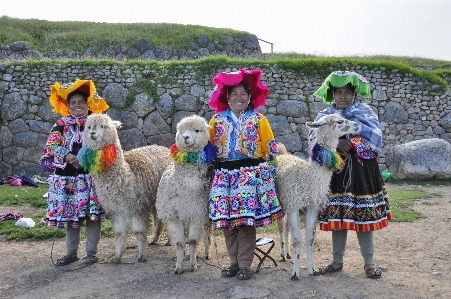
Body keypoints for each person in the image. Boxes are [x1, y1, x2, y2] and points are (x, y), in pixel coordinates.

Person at [310, 71, 391, 279]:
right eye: (338, 92)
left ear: (354, 94)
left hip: (361, 171)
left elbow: (375, 137)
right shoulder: (325, 116)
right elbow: (314, 138)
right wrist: (336, 143)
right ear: (332, 94)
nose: (343, 96)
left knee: (362, 215)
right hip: (336, 173)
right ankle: (336, 261)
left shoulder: (364, 112)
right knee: (339, 215)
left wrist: (352, 142)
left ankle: (369, 262)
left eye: (347, 92)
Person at [207, 68, 283, 280]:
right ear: (227, 98)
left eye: (243, 94)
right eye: (234, 94)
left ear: (250, 98)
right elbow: (208, 149)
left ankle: (244, 265)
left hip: (250, 176)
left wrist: (269, 174)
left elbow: (270, 147)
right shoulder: (216, 121)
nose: (239, 97)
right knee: (227, 222)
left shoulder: (259, 119)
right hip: (224, 176)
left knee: (245, 222)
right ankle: (233, 262)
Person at [40, 79, 109, 265]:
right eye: (73, 103)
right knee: (70, 215)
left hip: (91, 176)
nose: (77, 105)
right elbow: (51, 145)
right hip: (67, 179)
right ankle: (71, 252)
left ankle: (91, 253)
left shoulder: (97, 123)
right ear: (68, 106)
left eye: (81, 102)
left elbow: (106, 146)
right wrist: (70, 156)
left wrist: (84, 159)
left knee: (92, 216)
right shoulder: (61, 124)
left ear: (88, 104)